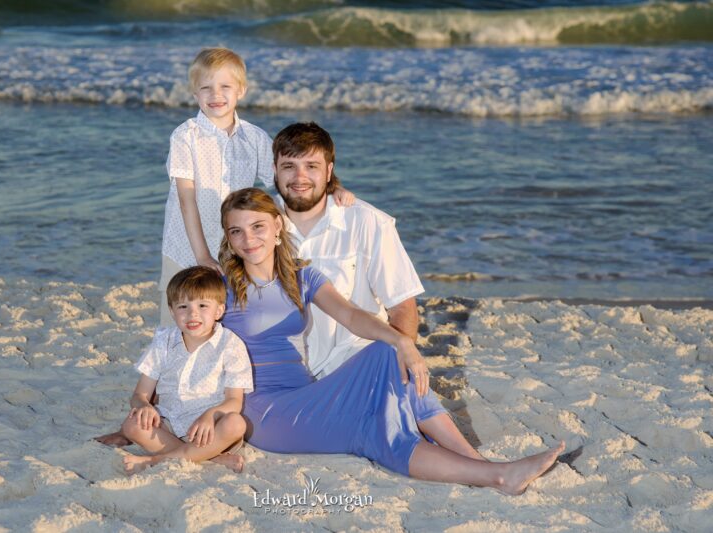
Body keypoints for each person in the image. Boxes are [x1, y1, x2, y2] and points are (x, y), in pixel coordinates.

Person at [219, 188, 564, 493]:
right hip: (265, 411)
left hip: (307, 393)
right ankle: (491, 472)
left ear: (277, 227)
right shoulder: (219, 287)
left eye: (257, 226)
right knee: (381, 424)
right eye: (237, 231)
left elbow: (352, 315)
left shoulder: (303, 276)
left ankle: (481, 467)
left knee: (386, 352)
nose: (249, 239)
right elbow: (185, 340)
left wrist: (404, 343)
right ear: (229, 239)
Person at [160, 48, 354, 328]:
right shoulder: (185, 136)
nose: (216, 95)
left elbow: (284, 181)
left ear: (241, 90)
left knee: (224, 315)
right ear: (194, 95)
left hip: (236, 245)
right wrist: (201, 255)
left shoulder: (254, 137)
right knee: (180, 316)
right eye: (206, 88)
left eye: (225, 86)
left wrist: (332, 187)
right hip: (186, 245)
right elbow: (185, 200)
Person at [272, 122, 422, 378]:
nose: (299, 178)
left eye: (311, 166)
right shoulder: (257, 225)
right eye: (289, 166)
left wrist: (398, 373)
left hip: (354, 366)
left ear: (329, 172)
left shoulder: (369, 223)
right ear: (274, 170)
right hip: (286, 375)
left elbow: (402, 308)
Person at [117, 266, 254, 475]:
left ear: (219, 310)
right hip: (169, 425)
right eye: (183, 306)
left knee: (236, 424)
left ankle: (156, 459)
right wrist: (144, 406)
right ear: (172, 311)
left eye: (202, 305)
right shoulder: (164, 341)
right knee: (131, 425)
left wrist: (210, 415)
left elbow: (234, 401)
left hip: (211, 431)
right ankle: (211, 457)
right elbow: (139, 394)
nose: (192, 314)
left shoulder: (231, 345)